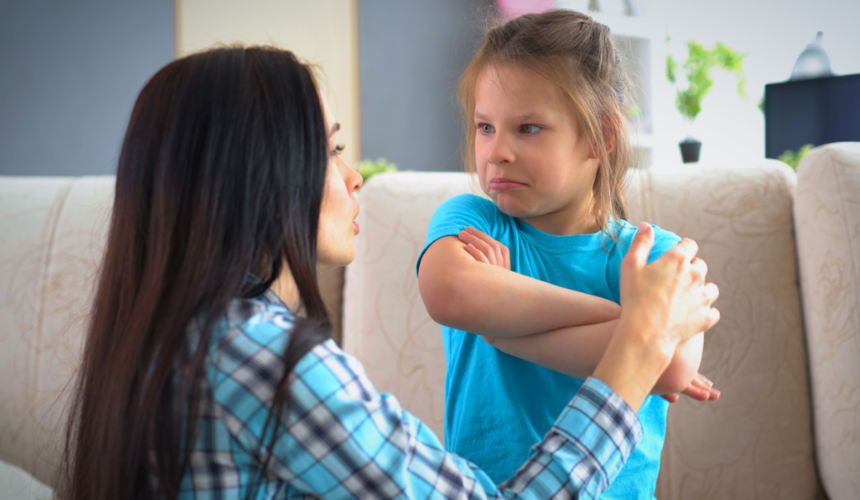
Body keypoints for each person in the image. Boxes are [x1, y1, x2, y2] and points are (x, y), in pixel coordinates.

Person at [62, 44, 719, 500]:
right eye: (330, 149)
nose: (354, 177)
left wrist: (636, 328)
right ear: (253, 175)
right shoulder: (266, 361)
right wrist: (636, 340)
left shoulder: (171, 335)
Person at [416, 10, 717, 499]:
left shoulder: (653, 254)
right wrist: (636, 321)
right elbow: (449, 292)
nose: (497, 152)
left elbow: (672, 367)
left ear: (602, 135)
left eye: (528, 128)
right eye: (485, 127)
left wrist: (502, 328)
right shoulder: (469, 220)